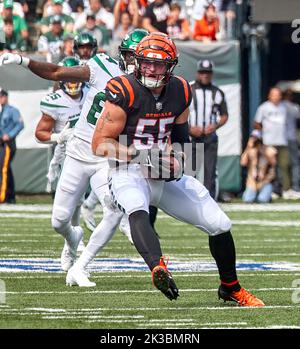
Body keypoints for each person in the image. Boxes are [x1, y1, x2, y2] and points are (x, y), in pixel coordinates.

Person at [91, 33, 265, 306]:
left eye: (157, 64)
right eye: (145, 62)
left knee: (219, 224)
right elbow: (100, 145)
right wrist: (140, 154)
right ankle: (158, 267)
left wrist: (178, 159)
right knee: (137, 207)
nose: (150, 69)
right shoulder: (123, 90)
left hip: (162, 170)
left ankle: (230, 287)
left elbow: (182, 138)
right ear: (136, 62)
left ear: (171, 66)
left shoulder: (181, 90)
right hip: (128, 169)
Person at [0, 28, 147, 287]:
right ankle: (72, 239)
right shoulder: (102, 65)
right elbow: (57, 73)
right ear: (124, 55)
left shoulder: (149, 85)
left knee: (113, 209)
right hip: (79, 151)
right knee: (59, 221)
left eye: (143, 59)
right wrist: (24, 61)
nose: (138, 65)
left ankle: (81, 266)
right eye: (134, 58)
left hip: (106, 154)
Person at [188, 59, 228, 200]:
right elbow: (178, 113)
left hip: (210, 138)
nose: (205, 75)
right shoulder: (188, 89)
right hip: (191, 137)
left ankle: (209, 201)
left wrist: (215, 126)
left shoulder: (217, 92)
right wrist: (189, 128)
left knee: (209, 172)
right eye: (203, 72)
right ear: (198, 73)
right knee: (189, 172)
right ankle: (187, 201)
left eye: (208, 73)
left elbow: (224, 115)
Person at [254, 87, 290, 198]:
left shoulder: (285, 107)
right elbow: (256, 123)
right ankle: (270, 190)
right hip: (269, 142)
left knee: (284, 166)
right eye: (274, 94)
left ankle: (285, 190)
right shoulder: (263, 107)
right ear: (269, 96)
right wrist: (264, 132)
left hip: (282, 141)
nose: (276, 97)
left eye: (278, 94)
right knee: (268, 168)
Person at [0, 87, 24, 203]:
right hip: (1, 144)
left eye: (1, 97)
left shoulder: (12, 110)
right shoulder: (1, 110)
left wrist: (9, 135)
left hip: (8, 143)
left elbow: (20, 125)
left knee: (4, 168)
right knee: (6, 168)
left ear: (5, 97)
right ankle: (10, 195)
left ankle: (5, 196)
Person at [240, 129, 277, 203]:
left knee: (262, 200)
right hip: (253, 182)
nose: (255, 140)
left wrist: (262, 150)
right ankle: (255, 194)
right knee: (247, 200)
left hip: (265, 181)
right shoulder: (250, 150)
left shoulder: (269, 150)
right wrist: (248, 147)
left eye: (257, 138)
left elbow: (274, 163)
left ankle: (267, 195)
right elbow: (243, 163)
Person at [282, 89, 300, 197]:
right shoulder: (294, 107)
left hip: (284, 138)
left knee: (284, 165)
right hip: (287, 138)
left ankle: (287, 188)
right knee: (293, 164)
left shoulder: (283, 106)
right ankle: (293, 188)